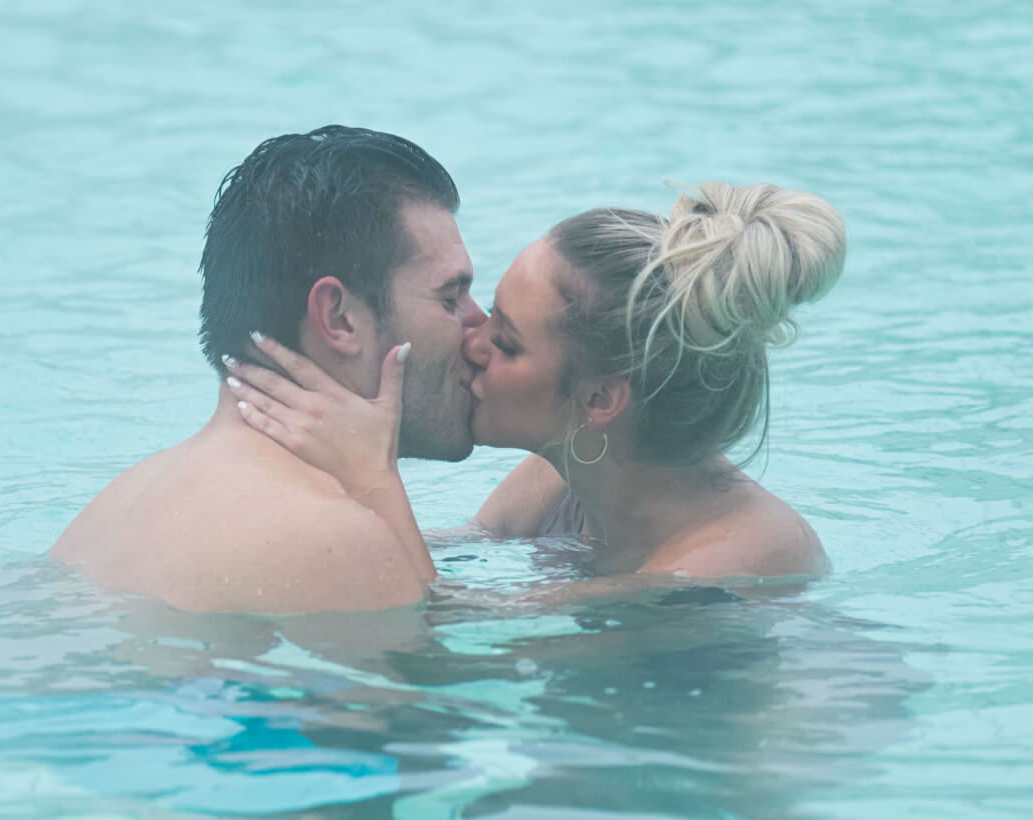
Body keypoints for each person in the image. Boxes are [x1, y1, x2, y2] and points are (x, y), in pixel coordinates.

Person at [227, 181, 847, 586]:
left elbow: (438, 641)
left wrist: (371, 476)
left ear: (599, 400)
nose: (471, 341)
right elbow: (457, 550)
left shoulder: (734, 557)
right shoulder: (565, 468)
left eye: (507, 343)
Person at [50, 125, 486, 613]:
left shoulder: (110, 509)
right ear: (339, 318)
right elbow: (443, 684)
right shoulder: (335, 541)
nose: (482, 329)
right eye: (451, 298)